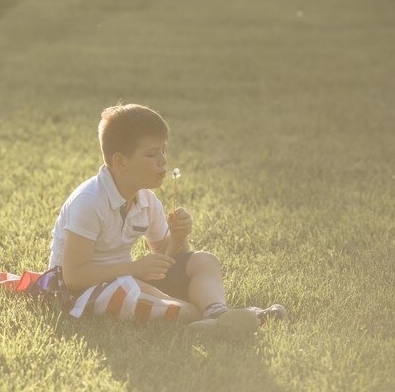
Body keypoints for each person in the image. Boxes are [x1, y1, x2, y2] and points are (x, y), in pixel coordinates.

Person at [48, 103, 286, 336]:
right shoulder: (89, 201)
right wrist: (135, 268)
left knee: (203, 261)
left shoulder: (146, 200)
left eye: (164, 150)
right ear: (121, 162)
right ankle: (220, 317)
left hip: (128, 278)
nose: (163, 161)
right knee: (170, 305)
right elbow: (74, 276)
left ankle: (217, 312)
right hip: (84, 292)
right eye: (152, 154)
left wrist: (178, 237)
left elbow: (168, 256)